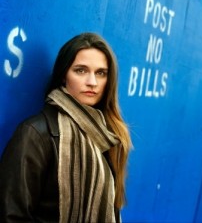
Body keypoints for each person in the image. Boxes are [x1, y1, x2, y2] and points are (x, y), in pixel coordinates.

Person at [0, 32, 132, 222]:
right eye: (80, 70)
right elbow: (10, 216)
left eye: (101, 73)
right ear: (63, 75)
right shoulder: (36, 134)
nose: (92, 82)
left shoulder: (107, 136)